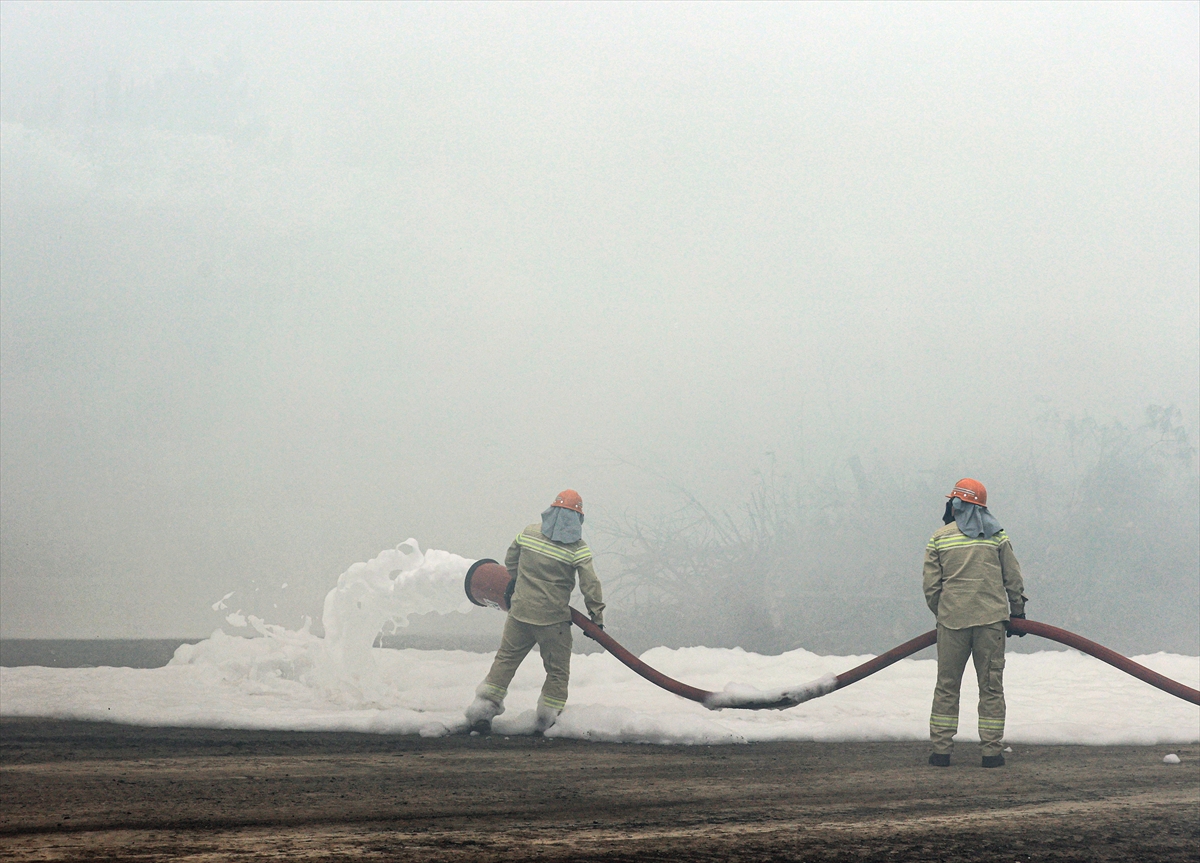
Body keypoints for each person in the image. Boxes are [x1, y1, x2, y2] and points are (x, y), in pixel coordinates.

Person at [465, 489, 605, 735]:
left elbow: (510, 561)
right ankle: (546, 720)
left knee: (506, 660)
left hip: (519, 613)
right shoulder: (578, 549)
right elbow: (590, 585)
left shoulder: (528, 533)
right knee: (557, 670)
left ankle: (483, 711)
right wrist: (597, 618)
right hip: (553, 621)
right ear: (578, 519)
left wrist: (521, 586)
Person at [923, 478, 1027, 768]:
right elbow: (1013, 578)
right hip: (991, 623)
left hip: (952, 623)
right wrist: (1017, 612)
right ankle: (991, 753)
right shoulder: (997, 536)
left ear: (954, 504)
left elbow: (931, 586)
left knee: (946, 686)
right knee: (991, 687)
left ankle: (941, 752)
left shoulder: (939, 537)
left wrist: (944, 612)